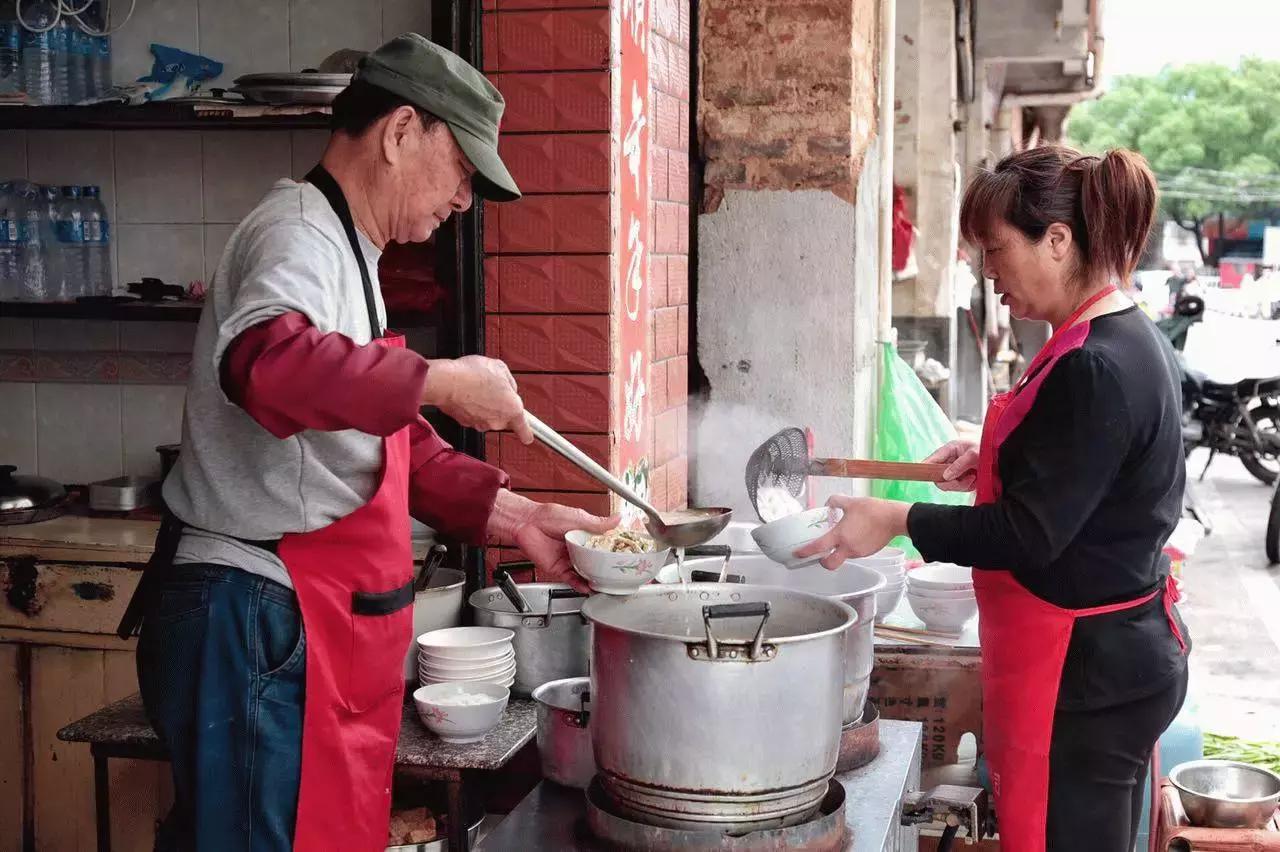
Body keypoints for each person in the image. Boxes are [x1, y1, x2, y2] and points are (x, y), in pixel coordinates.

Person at [120, 34, 615, 852]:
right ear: (401, 131)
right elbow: (268, 367)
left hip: (282, 613)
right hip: (251, 611)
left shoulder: (352, 253)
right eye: (463, 172)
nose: (464, 201)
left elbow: (388, 446)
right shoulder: (298, 235)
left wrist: (523, 519)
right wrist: (443, 380)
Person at [798, 145, 1190, 852]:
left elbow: (1028, 535)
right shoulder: (1121, 335)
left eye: (996, 248)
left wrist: (895, 519)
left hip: (1081, 670)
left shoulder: (1095, 363)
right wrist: (1000, 458)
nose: (987, 271)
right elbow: (1102, 470)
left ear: (1057, 241)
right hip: (1111, 653)